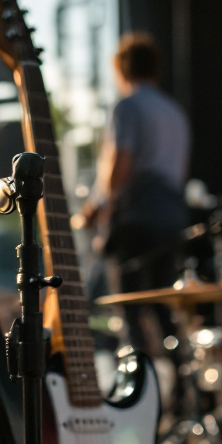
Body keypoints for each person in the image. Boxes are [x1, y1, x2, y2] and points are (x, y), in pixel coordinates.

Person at [79, 32, 190, 355]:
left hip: (136, 217)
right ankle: (182, 384)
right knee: (161, 303)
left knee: (129, 306)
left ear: (121, 69)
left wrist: (97, 206)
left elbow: (121, 163)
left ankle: (140, 385)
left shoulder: (127, 107)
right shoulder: (176, 114)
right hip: (171, 217)